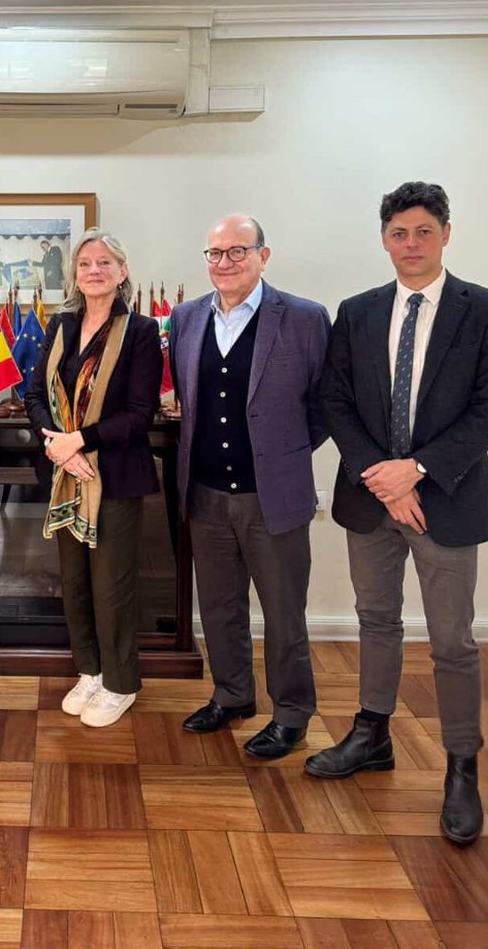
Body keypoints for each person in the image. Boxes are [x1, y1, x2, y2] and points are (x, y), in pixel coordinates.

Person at [306, 182, 488, 846]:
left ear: (446, 234)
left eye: (424, 232)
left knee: (452, 640)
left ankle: (461, 767)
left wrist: (416, 470)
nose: (411, 245)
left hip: (445, 501)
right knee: (375, 619)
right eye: (399, 233)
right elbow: (336, 401)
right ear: (384, 240)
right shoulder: (359, 312)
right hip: (371, 500)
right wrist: (386, 479)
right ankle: (371, 735)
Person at [170, 214, 330, 758]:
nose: (225, 262)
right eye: (215, 253)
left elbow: (324, 406)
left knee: (284, 612)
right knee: (218, 607)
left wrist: (282, 457)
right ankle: (233, 695)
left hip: (273, 497)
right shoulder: (187, 318)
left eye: (238, 251)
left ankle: (291, 714)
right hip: (206, 493)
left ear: (264, 255)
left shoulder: (305, 319)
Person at [25, 229, 162, 727]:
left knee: (112, 586)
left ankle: (120, 682)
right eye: (85, 263)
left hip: (116, 477)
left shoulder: (142, 332)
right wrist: (57, 448)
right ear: (75, 274)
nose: (95, 270)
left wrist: (78, 441)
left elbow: (141, 413)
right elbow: (34, 395)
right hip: (66, 475)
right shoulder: (60, 326)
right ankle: (90, 671)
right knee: (75, 582)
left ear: (122, 272)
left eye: (105, 262)